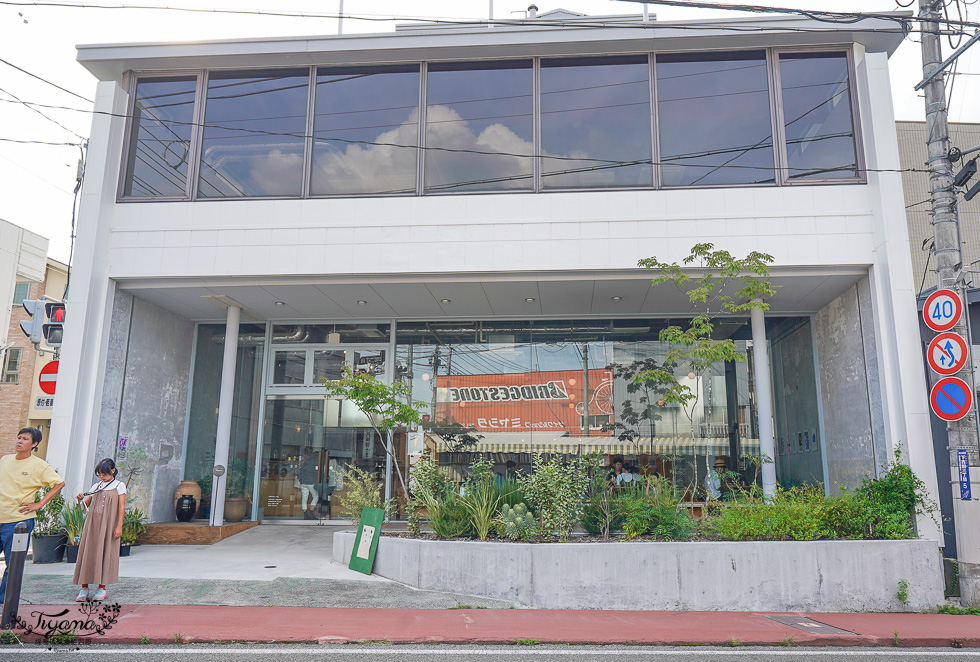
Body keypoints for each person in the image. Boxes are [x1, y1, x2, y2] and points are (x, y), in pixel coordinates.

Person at [0, 427, 65, 604]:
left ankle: (3, 603)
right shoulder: (5, 460)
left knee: (13, 566)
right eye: (18, 437)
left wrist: (40, 503)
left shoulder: (39, 466)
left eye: (25, 439)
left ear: (34, 444)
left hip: (18, 521)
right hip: (1, 516)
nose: (19, 441)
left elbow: (59, 483)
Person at [73, 458, 126, 602]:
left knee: (105, 553)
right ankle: (84, 588)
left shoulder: (119, 486)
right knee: (88, 552)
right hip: (92, 525)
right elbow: (85, 506)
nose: (102, 477)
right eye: (100, 474)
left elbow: (121, 507)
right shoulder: (96, 486)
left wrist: (118, 526)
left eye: (104, 474)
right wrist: (80, 499)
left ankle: (102, 588)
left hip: (108, 525)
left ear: (113, 471)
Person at [298, 453, 319, 520]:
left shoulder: (305, 462)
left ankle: (305, 514)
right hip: (311, 482)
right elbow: (316, 473)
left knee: (304, 498)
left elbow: (300, 472)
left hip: (303, 482)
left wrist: (301, 481)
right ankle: (311, 512)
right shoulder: (316, 462)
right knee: (315, 496)